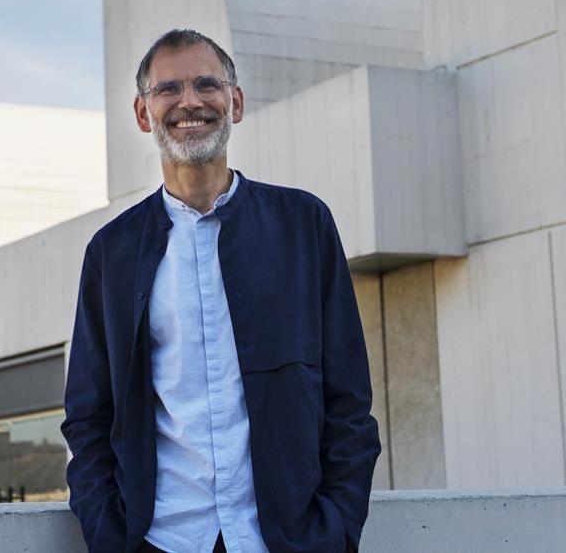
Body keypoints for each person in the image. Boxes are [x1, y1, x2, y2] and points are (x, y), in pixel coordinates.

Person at [61, 28, 380, 553]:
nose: (189, 101)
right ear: (143, 113)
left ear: (234, 102)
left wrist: (336, 528)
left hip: (287, 541)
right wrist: (110, 534)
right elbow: (89, 415)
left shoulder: (304, 225)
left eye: (207, 84)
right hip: (162, 539)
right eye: (168, 89)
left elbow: (348, 398)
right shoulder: (111, 252)